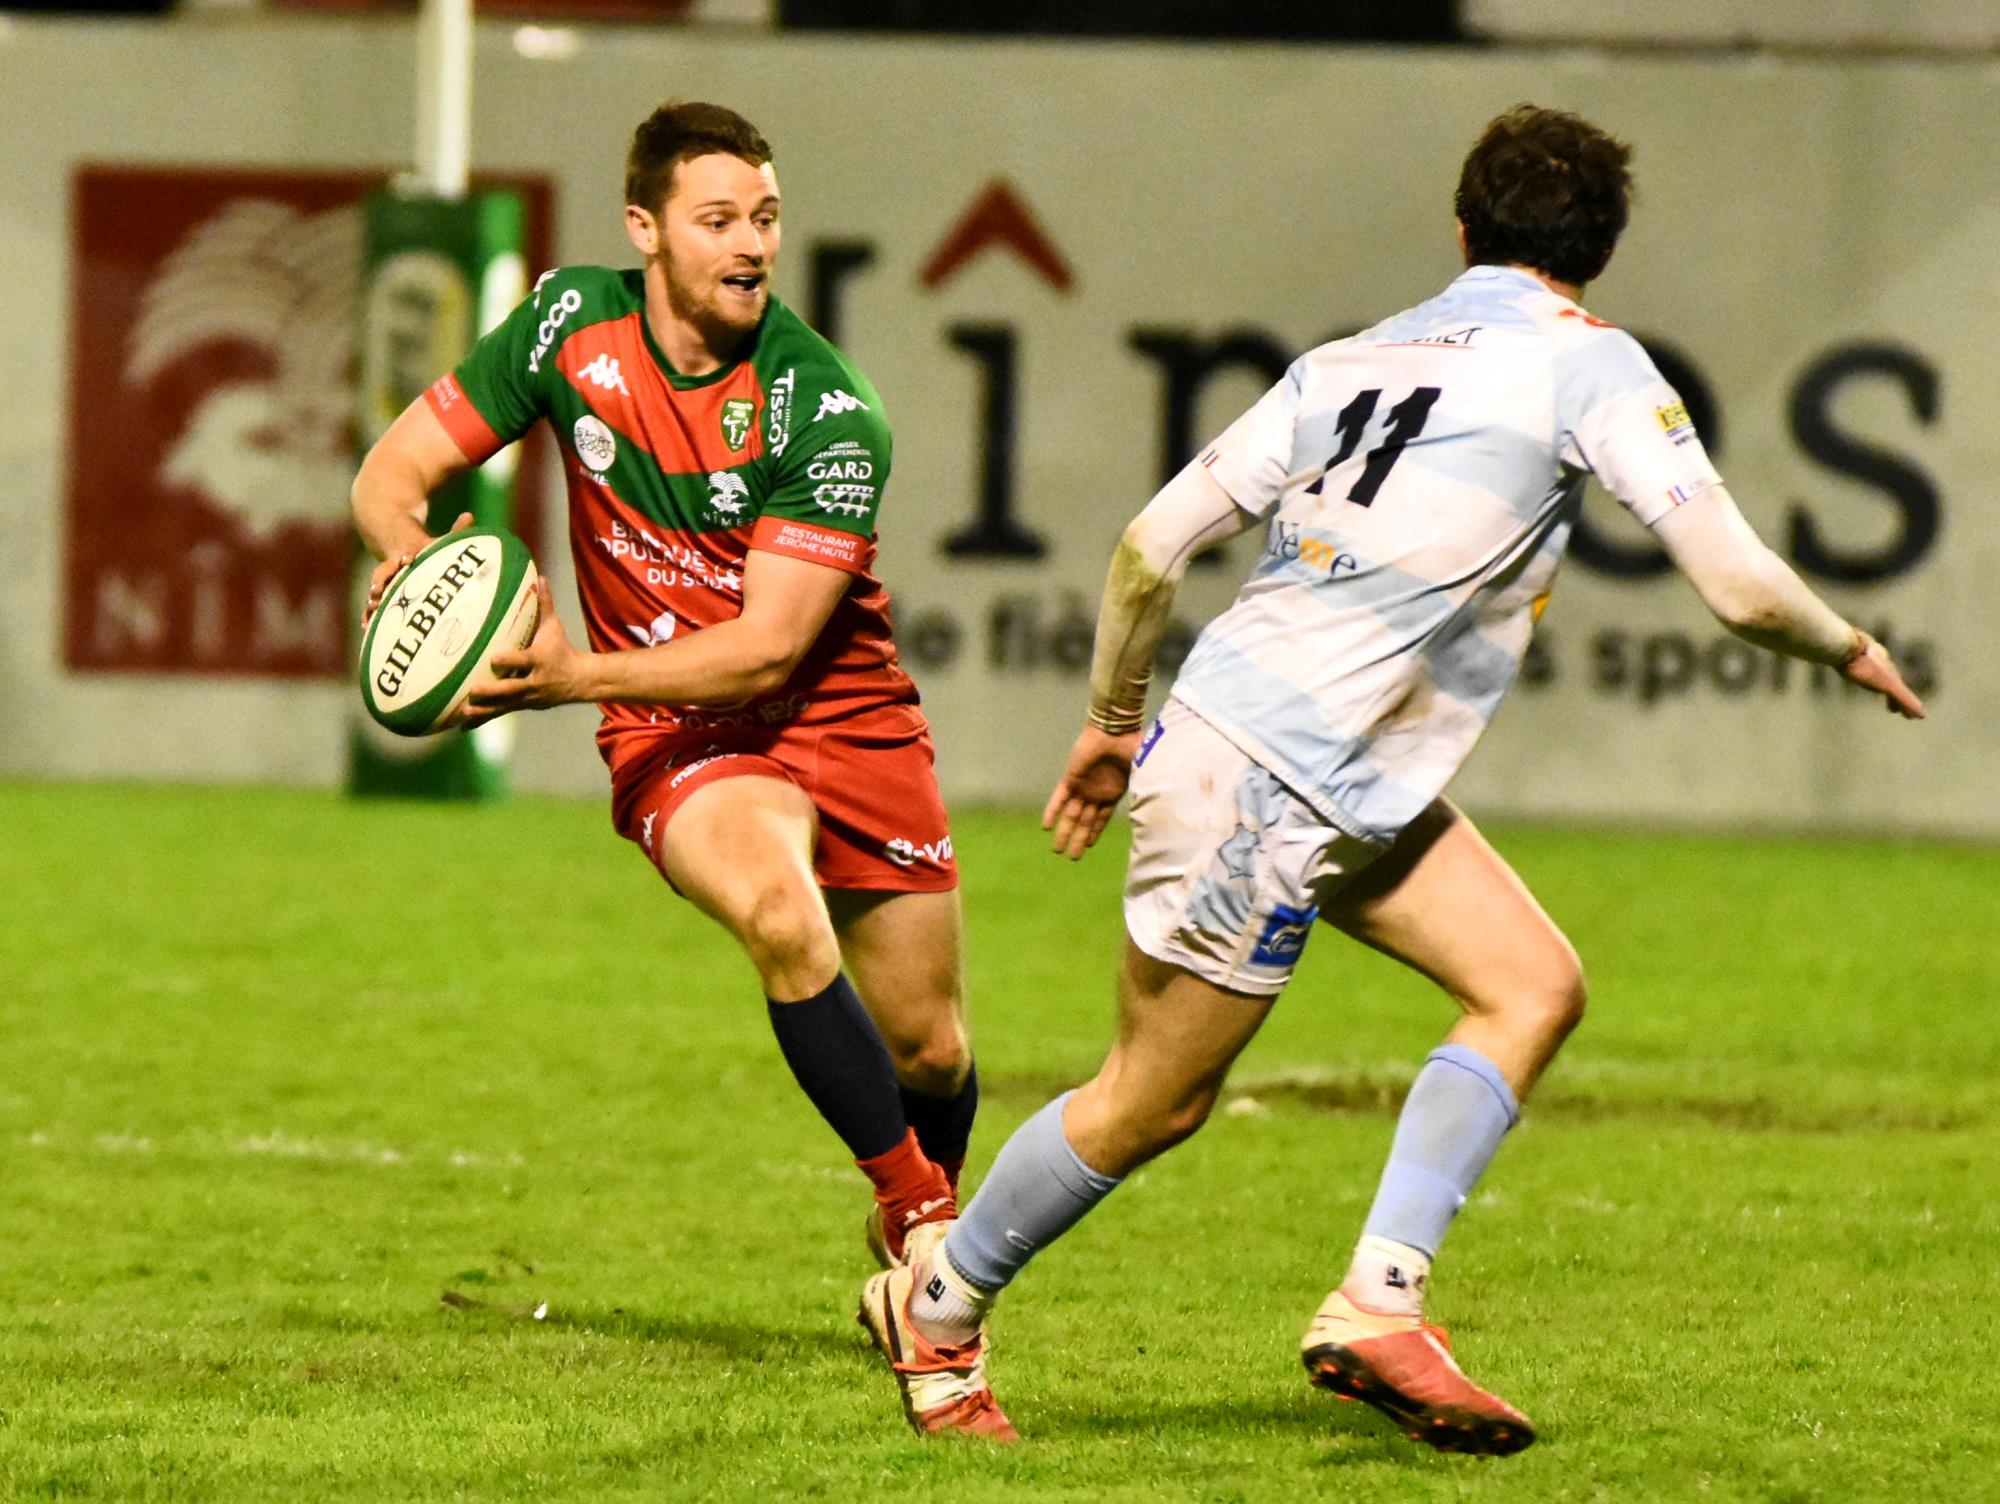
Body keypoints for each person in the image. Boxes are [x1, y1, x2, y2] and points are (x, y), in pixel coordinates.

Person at [858, 104, 1925, 1449]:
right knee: (1150, 1097)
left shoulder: (1346, 362)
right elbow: (1737, 585)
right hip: (1268, 780)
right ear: (1599, 248)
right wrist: (1847, 644)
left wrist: (1113, 719)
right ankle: (938, 1307)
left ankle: (1378, 1302)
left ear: (1463, 228)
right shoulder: (1590, 364)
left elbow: (1150, 544)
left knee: (1529, 985)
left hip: (1307, 761)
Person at [351, 101, 979, 1278]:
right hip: (678, 728)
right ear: (644, 228)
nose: (751, 246)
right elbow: (393, 469)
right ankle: (920, 1225)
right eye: (718, 220)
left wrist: (570, 676)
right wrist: (407, 551)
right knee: (781, 914)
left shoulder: (826, 407)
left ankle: (920, 1208)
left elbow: (767, 651)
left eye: (765, 219)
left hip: (840, 713)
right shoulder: (566, 328)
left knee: (932, 1050)